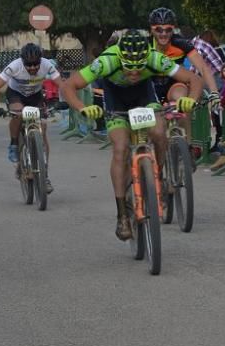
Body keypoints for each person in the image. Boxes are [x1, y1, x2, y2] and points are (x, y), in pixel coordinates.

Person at [60, 29, 202, 241]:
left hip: (144, 97)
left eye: (139, 69)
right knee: (120, 148)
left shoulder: (155, 58)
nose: (134, 74)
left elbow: (192, 79)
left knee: (159, 131)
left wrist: (190, 99)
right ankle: (122, 215)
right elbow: (69, 86)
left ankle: (159, 178)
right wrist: (82, 108)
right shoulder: (106, 62)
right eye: (129, 69)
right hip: (116, 100)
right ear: (121, 58)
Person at [0, 43, 62, 193]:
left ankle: (44, 174)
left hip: (35, 96)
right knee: (18, 113)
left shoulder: (47, 65)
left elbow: (62, 84)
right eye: (29, 64)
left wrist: (65, 101)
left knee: (43, 126)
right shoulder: (14, 66)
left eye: (36, 64)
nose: (33, 67)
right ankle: (14, 144)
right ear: (23, 61)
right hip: (16, 94)